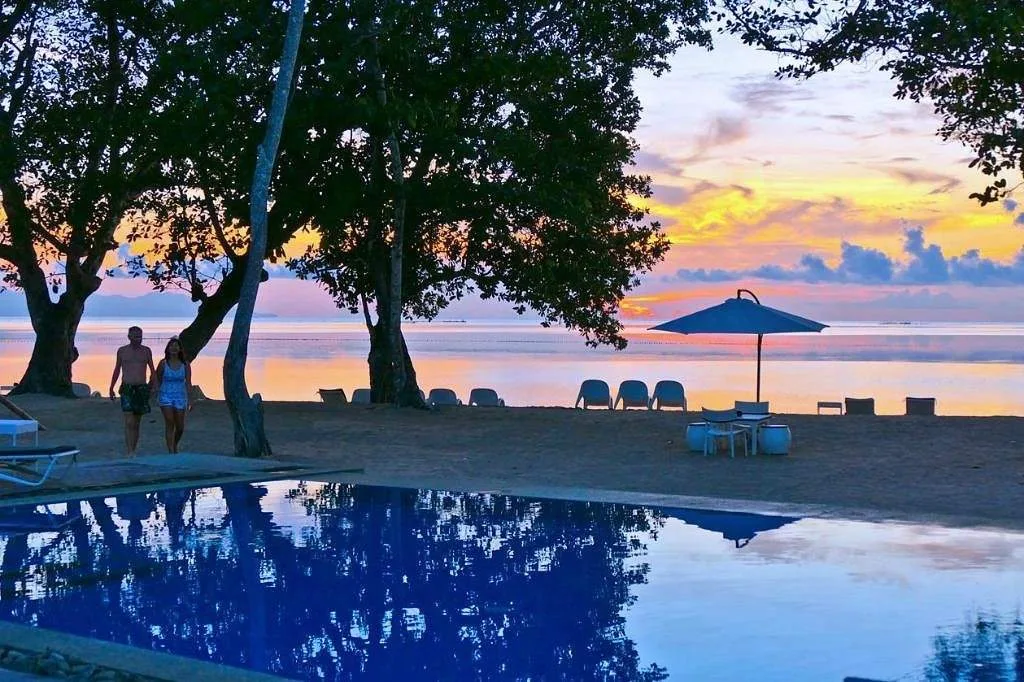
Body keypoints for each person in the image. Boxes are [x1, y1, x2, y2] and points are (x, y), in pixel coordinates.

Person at [109, 326, 155, 457]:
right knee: (129, 421)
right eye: (135, 336)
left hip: (141, 388)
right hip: (127, 388)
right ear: (129, 337)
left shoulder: (146, 351)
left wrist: (154, 386)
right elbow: (117, 369)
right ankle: (129, 451)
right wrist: (111, 387)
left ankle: (133, 449)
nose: (138, 339)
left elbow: (152, 369)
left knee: (137, 422)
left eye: (140, 336)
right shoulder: (122, 351)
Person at [151, 336, 192, 454]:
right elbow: (156, 377)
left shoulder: (185, 365)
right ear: (167, 349)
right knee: (169, 421)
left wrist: (190, 400)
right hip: (165, 395)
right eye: (171, 346)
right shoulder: (163, 363)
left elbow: (188, 382)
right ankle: (170, 451)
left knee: (180, 426)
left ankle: (174, 443)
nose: (174, 348)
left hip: (180, 396)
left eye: (176, 346)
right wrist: (156, 389)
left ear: (180, 349)